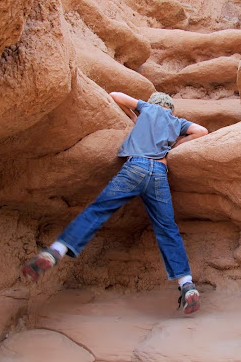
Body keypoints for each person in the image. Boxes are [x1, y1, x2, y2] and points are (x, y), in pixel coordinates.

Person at [22, 91, 209, 314]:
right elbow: (202, 131)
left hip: (135, 166)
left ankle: (56, 251)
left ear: (154, 104)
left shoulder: (148, 109)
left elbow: (115, 95)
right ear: (171, 108)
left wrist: (134, 116)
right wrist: (176, 145)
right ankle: (186, 285)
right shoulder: (176, 122)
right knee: (167, 228)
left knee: (98, 210)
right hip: (159, 172)